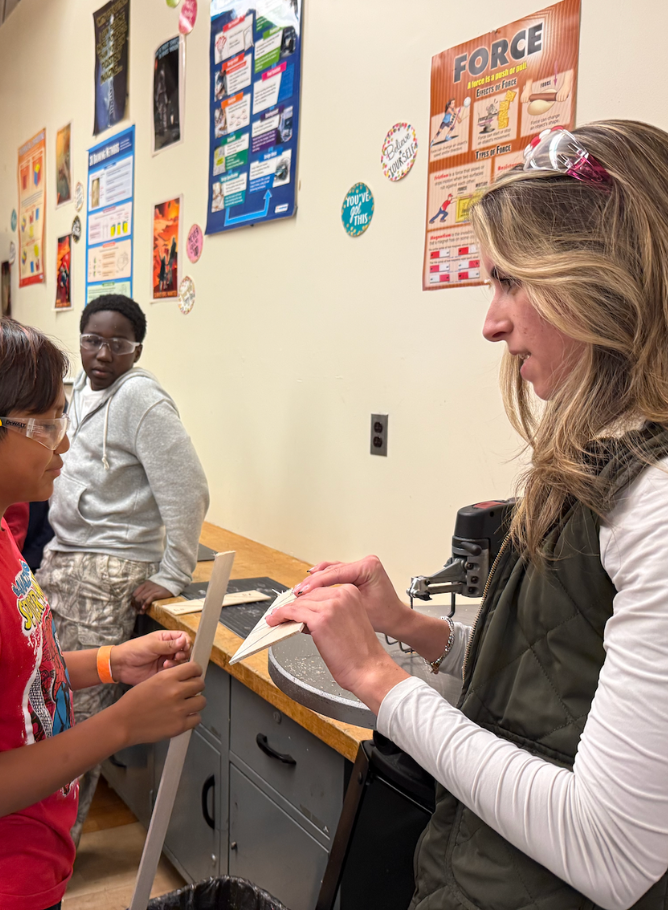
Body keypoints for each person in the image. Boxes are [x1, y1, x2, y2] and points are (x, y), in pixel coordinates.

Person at [269, 121, 668, 910]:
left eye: (513, 281)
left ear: (599, 279)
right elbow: (557, 684)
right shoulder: (603, 463)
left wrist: (379, 681)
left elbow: (613, 849)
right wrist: (415, 631)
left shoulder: (655, 502)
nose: (492, 321)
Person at [0, 315, 205, 910]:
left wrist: (110, 662)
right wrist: (123, 723)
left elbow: (20, 670)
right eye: (47, 424)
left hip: (23, 869)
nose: (64, 443)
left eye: (64, 418)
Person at [37, 294, 209, 845]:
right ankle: (40, 835)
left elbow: (188, 491)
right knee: (48, 704)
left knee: (79, 724)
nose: (102, 353)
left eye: (117, 344)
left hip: (108, 569)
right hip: (63, 560)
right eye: (91, 340)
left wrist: (174, 572)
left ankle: (58, 849)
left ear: (137, 349)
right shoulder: (79, 392)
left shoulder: (142, 400)